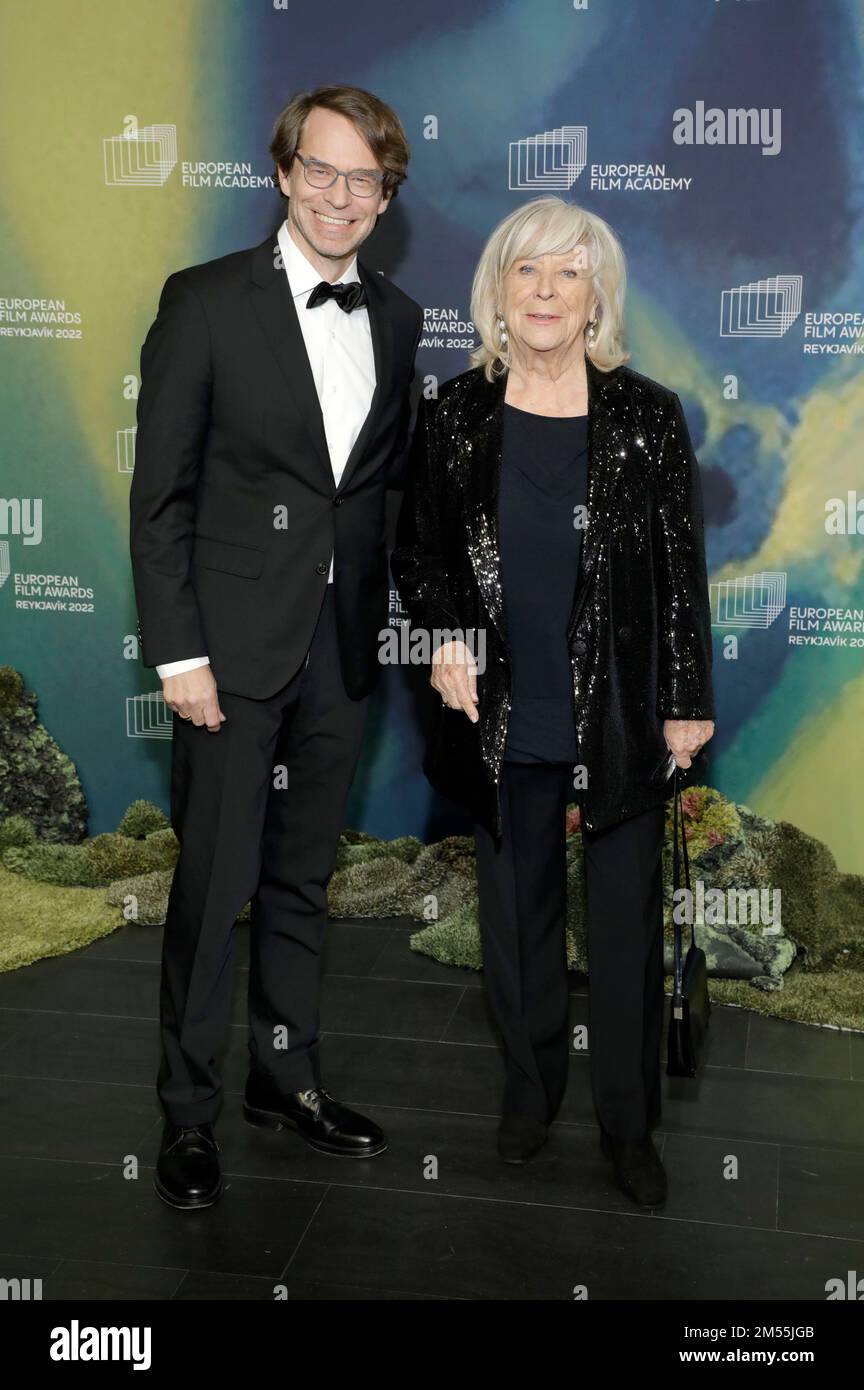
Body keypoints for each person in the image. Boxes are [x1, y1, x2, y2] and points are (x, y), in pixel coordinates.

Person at [130, 84, 423, 1209]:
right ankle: (188, 1113)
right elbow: (161, 499)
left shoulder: (396, 321)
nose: (342, 195)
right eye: (323, 169)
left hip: (342, 654)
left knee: (303, 881)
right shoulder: (203, 302)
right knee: (213, 888)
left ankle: (283, 1079)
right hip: (228, 660)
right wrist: (178, 654)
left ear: (385, 196)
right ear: (283, 172)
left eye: (366, 179)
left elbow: (384, 495)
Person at [391, 195, 715, 1210]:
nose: (544, 291)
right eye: (526, 271)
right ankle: (528, 1097)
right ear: (497, 290)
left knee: (623, 927)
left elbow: (678, 574)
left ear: (594, 297)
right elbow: (421, 554)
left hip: (619, 711)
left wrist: (685, 698)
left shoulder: (646, 416)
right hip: (502, 712)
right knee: (516, 923)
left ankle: (629, 1125)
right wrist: (444, 630)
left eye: (567, 273)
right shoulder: (453, 413)